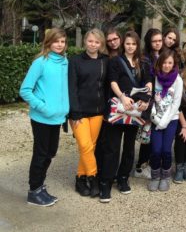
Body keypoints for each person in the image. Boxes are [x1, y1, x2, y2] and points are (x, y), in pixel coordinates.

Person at [99, 31, 152, 203]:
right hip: (119, 109)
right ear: (124, 44)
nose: (130, 47)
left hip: (135, 110)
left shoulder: (143, 62)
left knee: (129, 148)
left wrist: (145, 99)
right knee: (112, 147)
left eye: (133, 44)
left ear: (137, 45)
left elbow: (148, 82)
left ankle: (123, 178)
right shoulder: (115, 60)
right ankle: (106, 182)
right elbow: (112, 81)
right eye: (128, 44)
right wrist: (122, 96)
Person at [20, 28, 69, 207]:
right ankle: (34, 191)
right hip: (42, 118)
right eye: (56, 41)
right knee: (40, 154)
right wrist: (43, 107)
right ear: (48, 42)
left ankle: (40, 187)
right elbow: (25, 90)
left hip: (58, 118)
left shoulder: (65, 62)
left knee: (50, 153)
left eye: (63, 41)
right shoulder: (40, 62)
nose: (59, 44)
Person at [68, 29, 109, 198]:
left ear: (101, 44)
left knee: (89, 148)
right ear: (85, 41)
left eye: (97, 42)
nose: (93, 44)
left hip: (98, 112)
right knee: (85, 146)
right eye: (90, 41)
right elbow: (72, 87)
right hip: (79, 113)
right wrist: (75, 112)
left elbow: (107, 86)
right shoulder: (75, 61)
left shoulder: (105, 61)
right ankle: (93, 178)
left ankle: (79, 179)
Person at [148, 50, 183, 192]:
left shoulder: (178, 80)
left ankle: (165, 176)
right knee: (156, 150)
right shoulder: (154, 77)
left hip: (171, 120)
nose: (167, 65)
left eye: (170, 63)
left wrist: (164, 121)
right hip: (155, 119)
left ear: (174, 64)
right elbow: (149, 99)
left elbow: (176, 104)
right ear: (160, 62)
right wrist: (155, 118)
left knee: (166, 150)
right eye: (164, 62)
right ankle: (155, 176)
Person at [134, 28, 163, 180]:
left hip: (161, 100)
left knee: (155, 133)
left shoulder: (164, 55)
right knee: (146, 132)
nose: (157, 43)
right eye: (154, 41)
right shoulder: (145, 58)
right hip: (149, 99)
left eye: (159, 40)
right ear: (148, 42)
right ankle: (141, 165)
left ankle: (151, 163)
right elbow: (145, 80)